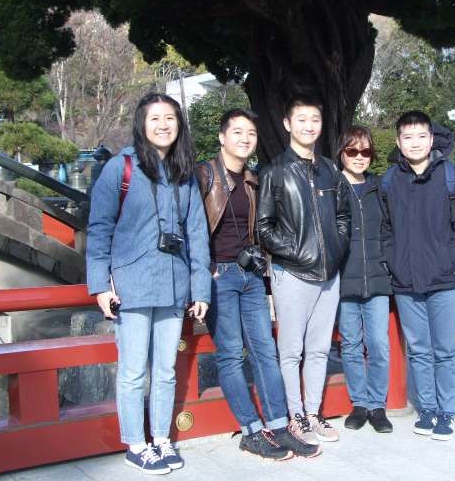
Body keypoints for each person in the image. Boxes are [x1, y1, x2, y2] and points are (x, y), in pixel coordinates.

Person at [86, 92, 211, 475]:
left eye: (170, 118)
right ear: (142, 124)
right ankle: (135, 444)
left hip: (173, 285)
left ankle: (161, 438)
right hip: (132, 283)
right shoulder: (120, 168)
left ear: (179, 125)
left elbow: (197, 232)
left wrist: (200, 287)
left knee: (167, 370)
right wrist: (100, 286)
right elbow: (99, 229)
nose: (163, 125)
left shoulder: (184, 171)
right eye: (155, 118)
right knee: (133, 369)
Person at [196, 108, 319, 459]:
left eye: (250, 133)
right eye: (237, 132)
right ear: (222, 137)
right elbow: (191, 226)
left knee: (266, 350)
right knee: (232, 353)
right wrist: (202, 272)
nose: (245, 138)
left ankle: (280, 427)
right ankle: (251, 430)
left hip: (250, 274)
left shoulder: (253, 179)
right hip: (218, 275)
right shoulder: (203, 175)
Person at [256, 94, 351, 447]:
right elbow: (263, 228)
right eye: (302, 119)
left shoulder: (330, 169)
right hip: (292, 273)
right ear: (287, 123)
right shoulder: (275, 171)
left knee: (320, 349)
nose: (309, 125)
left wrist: (337, 248)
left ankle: (313, 413)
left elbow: (343, 217)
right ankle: (295, 416)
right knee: (291, 350)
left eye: (315, 119)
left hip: (329, 274)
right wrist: (299, 252)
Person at [382, 111, 455, 441]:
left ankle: (446, 412)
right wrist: (394, 262)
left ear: (431, 139)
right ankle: (429, 408)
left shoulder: (451, 177)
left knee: (444, 349)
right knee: (419, 349)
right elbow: (386, 228)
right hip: (406, 280)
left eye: (421, 136)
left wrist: (451, 261)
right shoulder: (390, 180)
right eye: (407, 137)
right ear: (398, 142)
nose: (415, 143)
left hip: (443, 279)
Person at [335, 125, 394, 434]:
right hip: (344, 281)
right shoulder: (331, 187)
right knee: (352, 345)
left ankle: (377, 406)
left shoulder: (378, 187)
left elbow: (390, 231)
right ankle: (359, 404)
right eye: (352, 151)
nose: (359, 157)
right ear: (341, 152)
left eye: (366, 151)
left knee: (379, 345)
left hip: (377, 279)